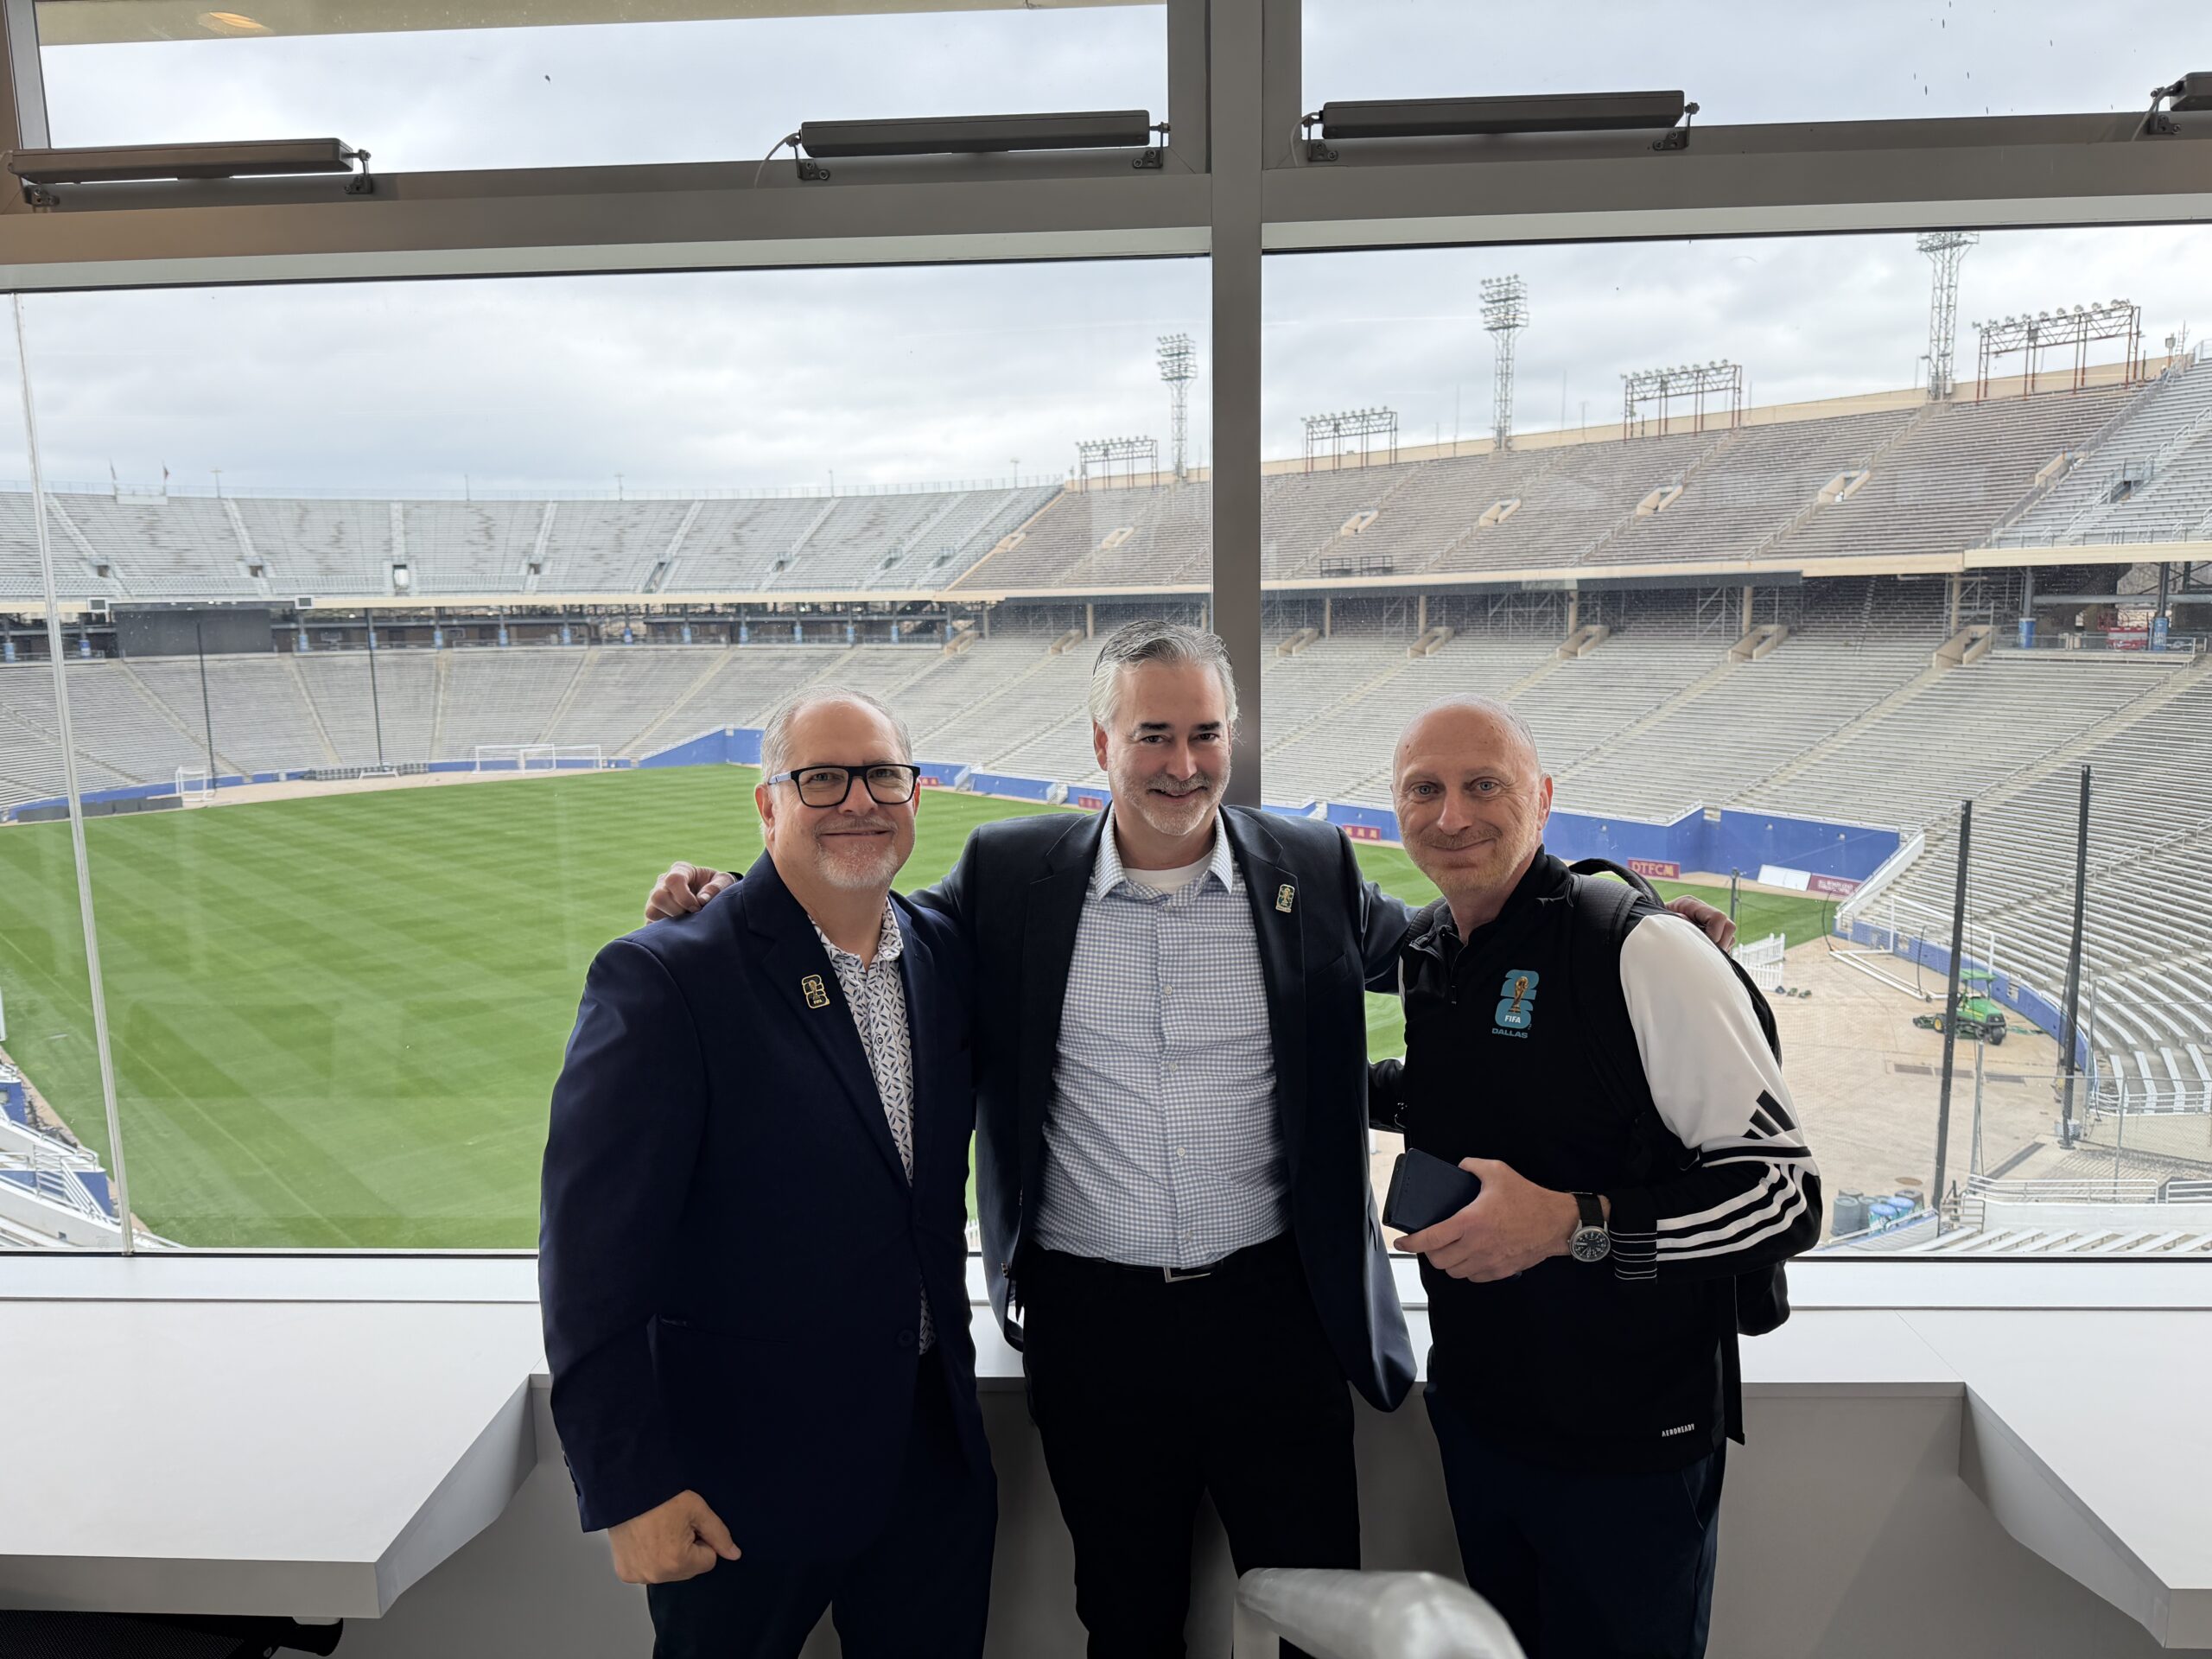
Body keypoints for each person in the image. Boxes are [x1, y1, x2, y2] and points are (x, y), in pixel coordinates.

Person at [645, 623, 1736, 1658]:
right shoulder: (1010, 875)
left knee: (1321, 1607)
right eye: (1153, 735)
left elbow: (1466, 939)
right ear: (1101, 746)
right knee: (1125, 1615)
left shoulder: (1307, 865)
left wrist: (1626, 919)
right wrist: (733, 895)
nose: (1181, 762)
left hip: (1278, 1316)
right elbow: (871, 931)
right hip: (1092, 1324)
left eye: (1204, 733)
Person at [540, 690, 995, 1659]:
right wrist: (628, 1486)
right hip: (736, 1482)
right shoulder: (667, 979)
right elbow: (587, 1260)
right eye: (820, 778)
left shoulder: (947, 955)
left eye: (880, 775)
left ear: (917, 794)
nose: (857, 801)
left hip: (929, 1458)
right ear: (767, 804)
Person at [1372, 694, 1823, 1659]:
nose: (1452, 816)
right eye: (1426, 790)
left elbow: (1785, 1196)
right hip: (1482, 1423)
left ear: (1540, 798)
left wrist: (1572, 1224)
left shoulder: (1641, 948)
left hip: (1630, 1450)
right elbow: (1479, 1095)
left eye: (1483, 785)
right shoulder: (1432, 950)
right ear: (1396, 811)